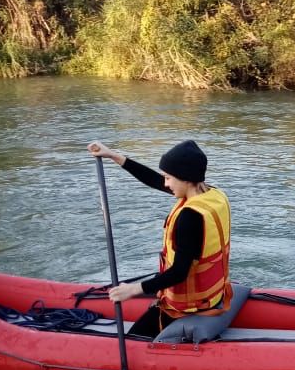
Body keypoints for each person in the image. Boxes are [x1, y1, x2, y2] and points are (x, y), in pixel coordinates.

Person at [87, 139, 232, 338]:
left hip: (189, 307)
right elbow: (154, 180)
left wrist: (134, 290)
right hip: (213, 295)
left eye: (168, 178)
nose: (165, 183)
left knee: (133, 339)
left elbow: (179, 272)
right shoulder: (213, 195)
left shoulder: (190, 217)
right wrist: (113, 155)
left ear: (185, 178)